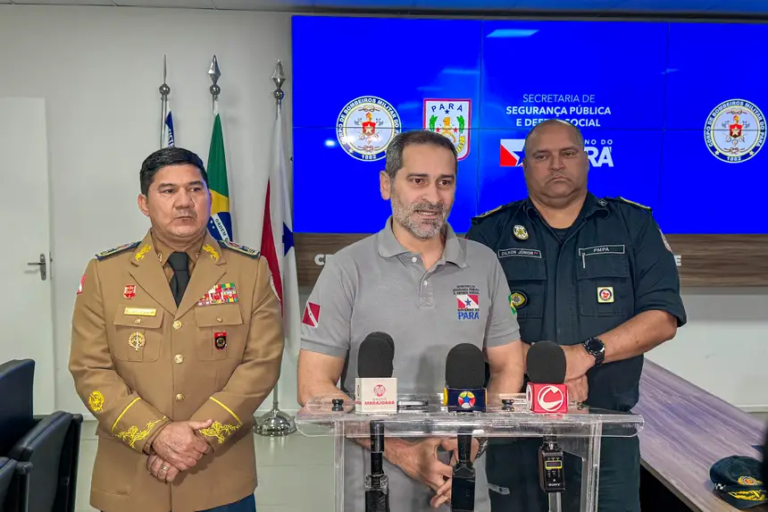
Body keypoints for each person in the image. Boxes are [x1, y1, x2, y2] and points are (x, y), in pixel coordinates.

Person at [297, 130, 525, 511]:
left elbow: (508, 367)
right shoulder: (346, 268)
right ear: (386, 185)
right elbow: (312, 386)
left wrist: (473, 439)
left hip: (461, 482)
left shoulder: (484, 264)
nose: (433, 198)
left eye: (445, 182)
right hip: (374, 486)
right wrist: (402, 452)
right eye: (418, 181)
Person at [466, 119, 687, 512]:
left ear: (586, 159)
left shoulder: (633, 225)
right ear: (524, 166)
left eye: (567, 153)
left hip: (607, 433)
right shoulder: (489, 233)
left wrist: (584, 355)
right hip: (515, 432)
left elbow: (662, 316)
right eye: (542, 156)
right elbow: (471, 321)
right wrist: (547, 369)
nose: (556, 164)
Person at [69, 147, 284, 512]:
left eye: (195, 189)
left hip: (218, 478)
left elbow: (261, 365)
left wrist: (195, 440)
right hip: (131, 477)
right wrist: (155, 434)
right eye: (168, 190)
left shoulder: (250, 271)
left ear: (209, 198)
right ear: (144, 203)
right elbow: (90, 369)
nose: (184, 202)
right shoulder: (106, 273)